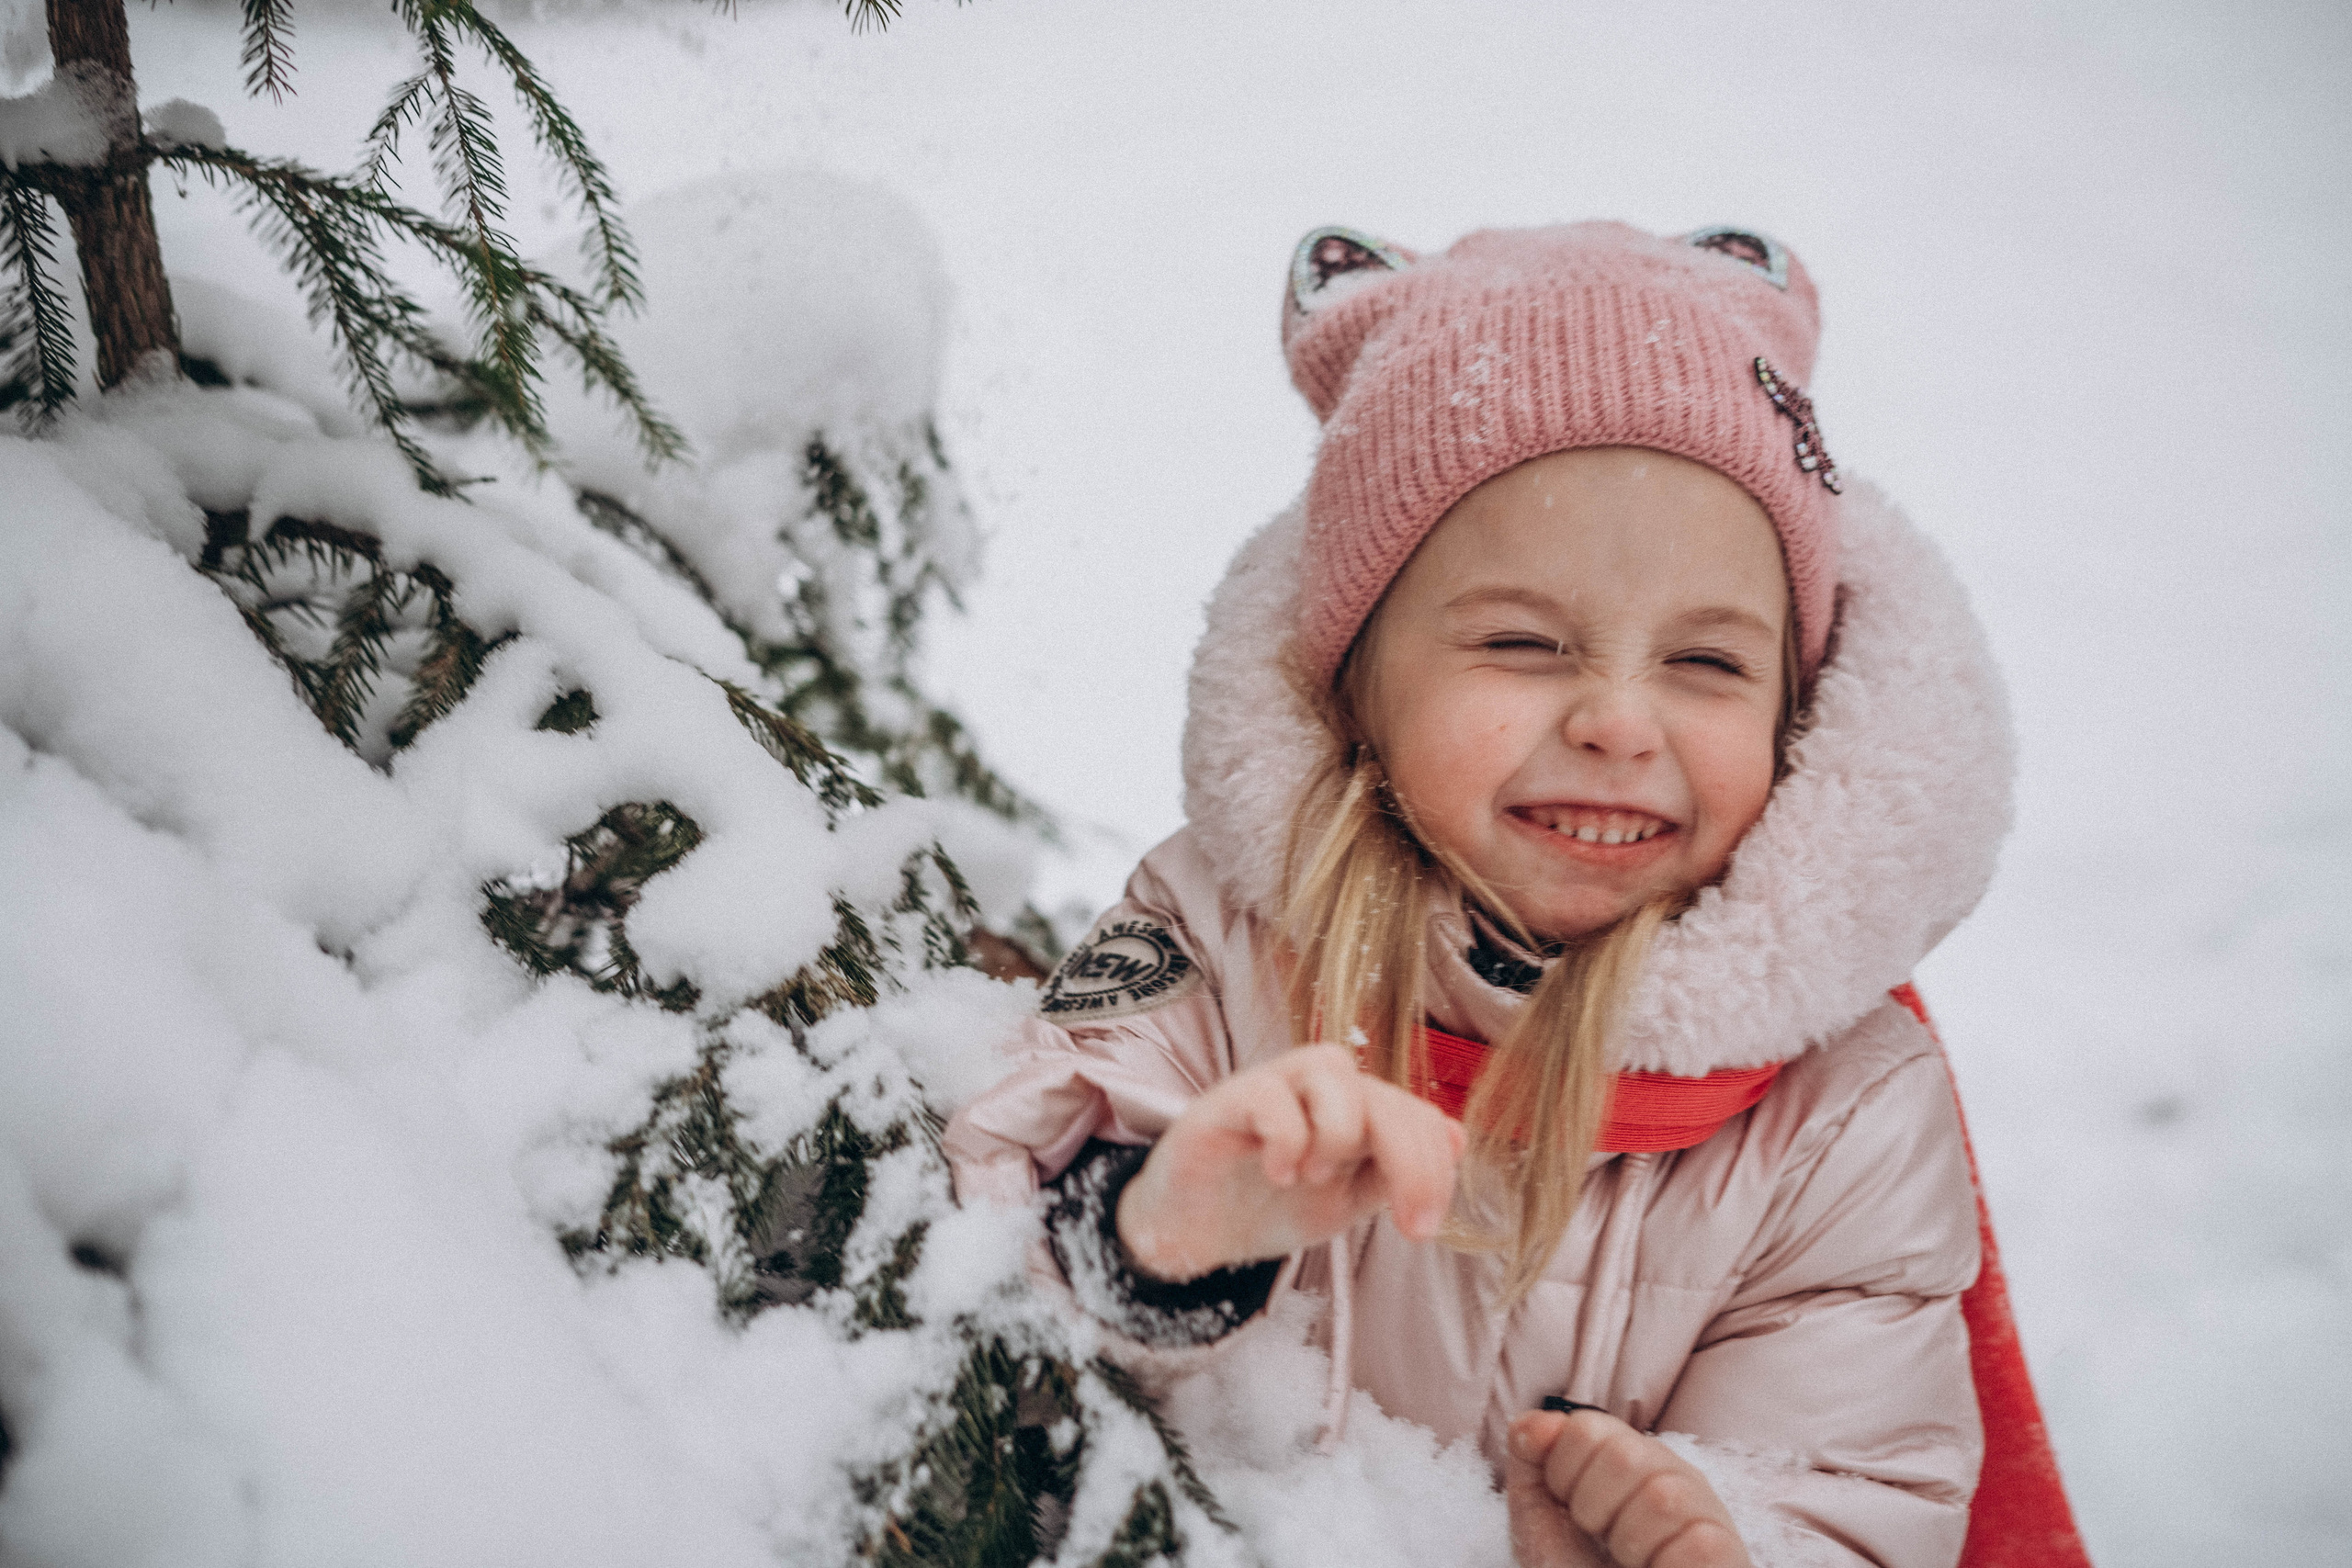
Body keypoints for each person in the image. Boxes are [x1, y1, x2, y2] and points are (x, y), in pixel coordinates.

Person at [944, 222, 2083, 1568]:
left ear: (1795, 711)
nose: (1616, 721)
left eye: (1708, 665)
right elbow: (1011, 1172)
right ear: (1357, 680)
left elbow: (1856, 1481)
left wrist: (1725, 1540)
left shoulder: (1841, 1106)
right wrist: (1165, 1232)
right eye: (1523, 644)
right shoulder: (1224, 928)